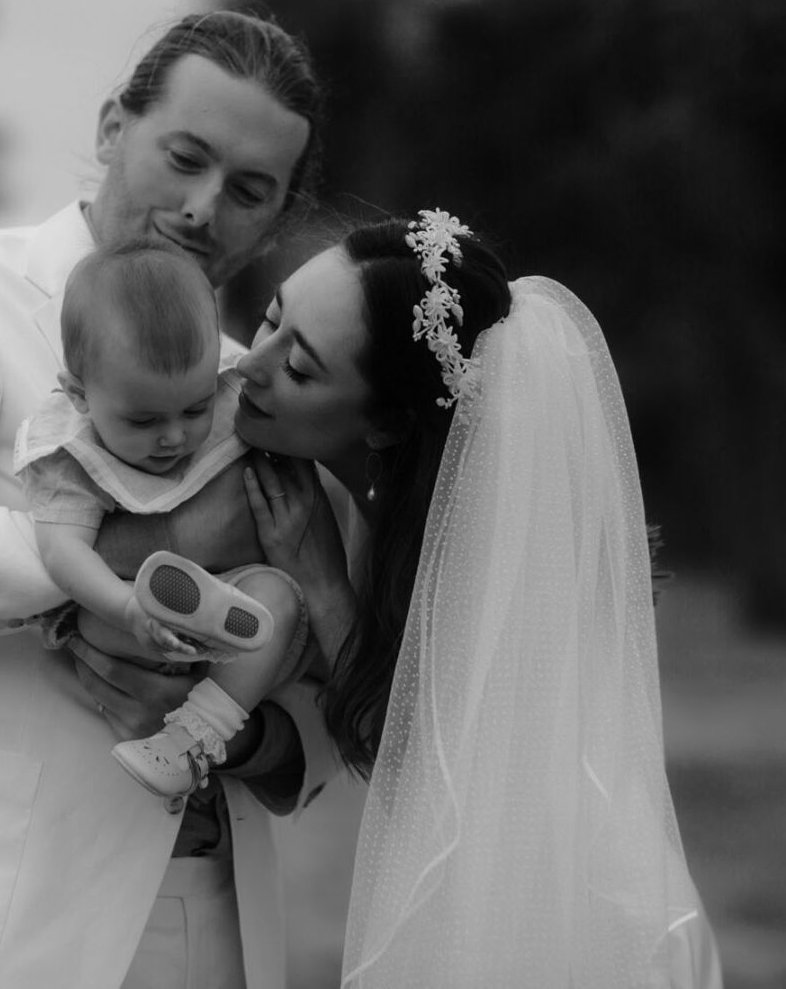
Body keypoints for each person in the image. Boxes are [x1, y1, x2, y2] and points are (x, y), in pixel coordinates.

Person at [0, 10, 342, 989]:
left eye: (249, 190)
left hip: (202, 922)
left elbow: (314, 733)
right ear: (111, 129)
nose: (205, 208)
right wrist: (137, 559)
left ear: (281, 214)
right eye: (185, 156)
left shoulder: (253, 391)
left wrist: (238, 727)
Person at [226, 209, 725, 987]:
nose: (250, 366)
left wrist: (321, 580)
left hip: (557, 924)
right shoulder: (374, 496)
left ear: (387, 425)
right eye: (268, 318)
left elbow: (443, 782)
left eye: (300, 370)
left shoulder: (486, 542)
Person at [15, 237, 312, 799]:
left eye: (196, 408)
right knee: (87, 615)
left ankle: (195, 740)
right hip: (133, 619)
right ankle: (176, 616)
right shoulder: (71, 453)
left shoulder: (231, 398)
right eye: (144, 419)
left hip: (237, 603)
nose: (175, 436)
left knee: (276, 597)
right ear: (78, 396)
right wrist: (126, 607)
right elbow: (63, 551)